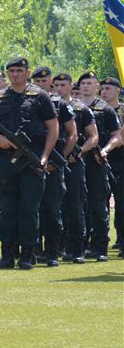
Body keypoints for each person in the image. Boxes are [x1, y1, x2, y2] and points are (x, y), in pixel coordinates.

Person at [0, 58, 58, 270]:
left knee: (29, 209)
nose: (14, 74)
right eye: (11, 71)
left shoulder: (40, 96)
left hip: (31, 161)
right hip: (6, 161)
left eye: (19, 71)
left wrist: (44, 156)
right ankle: (7, 253)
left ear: (27, 73)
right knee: (7, 208)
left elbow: (53, 128)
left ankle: (27, 253)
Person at [31, 66, 77, 266]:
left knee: (51, 209)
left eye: (44, 81)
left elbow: (72, 134)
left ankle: (52, 251)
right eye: (37, 81)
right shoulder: (27, 102)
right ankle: (33, 249)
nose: (41, 85)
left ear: (50, 81)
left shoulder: (60, 104)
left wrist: (59, 160)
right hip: (30, 164)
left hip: (53, 166)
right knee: (32, 209)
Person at [53, 72, 96, 263]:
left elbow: (93, 137)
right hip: (53, 163)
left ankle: (77, 248)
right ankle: (56, 247)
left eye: (64, 85)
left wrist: (78, 153)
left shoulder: (81, 109)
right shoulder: (48, 106)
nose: (60, 89)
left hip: (73, 162)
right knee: (53, 206)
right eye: (57, 85)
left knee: (74, 206)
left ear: (71, 86)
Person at [77, 71, 120, 261]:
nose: (86, 86)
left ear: (97, 87)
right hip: (76, 161)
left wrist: (105, 150)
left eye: (90, 83)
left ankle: (100, 246)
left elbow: (117, 135)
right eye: (83, 83)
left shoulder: (106, 110)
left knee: (98, 205)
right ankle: (79, 245)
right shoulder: (73, 108)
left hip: (96, 161)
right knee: (77, 205)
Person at [98, 76, 124, 256]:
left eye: (109, 88)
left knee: (121, 201)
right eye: (103, 88)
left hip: (120, 159)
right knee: (100, 201)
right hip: (100, 159)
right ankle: (100, 238)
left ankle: (121, 237)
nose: (104, 91)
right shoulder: (97, 109)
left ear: (117, 91)